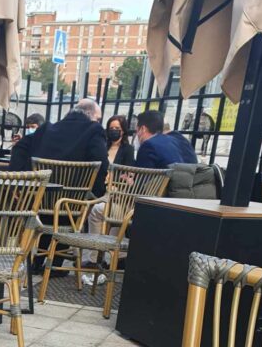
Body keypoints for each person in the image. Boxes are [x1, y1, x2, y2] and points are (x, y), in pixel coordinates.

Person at [83, 110, 198, 271]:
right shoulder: (175, 142)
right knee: (111, 206)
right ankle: (117, 258)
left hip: (148, 207)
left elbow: (140, 189)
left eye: (137, 130)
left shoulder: (149, 146)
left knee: (98, 210)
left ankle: (94, 260)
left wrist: (128, 181)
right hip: (176, 204)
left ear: (142, 129)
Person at [10, 99, 109, 277]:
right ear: (92, 116)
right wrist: (97, 192)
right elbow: (101, 163)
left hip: (39, 203)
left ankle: (38, 261)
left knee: (54, 205)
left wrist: (19, 182)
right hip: (71, 207)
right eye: (98, 118)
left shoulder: (46, 129)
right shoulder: (94, 130)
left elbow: (19, 148)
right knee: (72, 204)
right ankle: (54, 264)